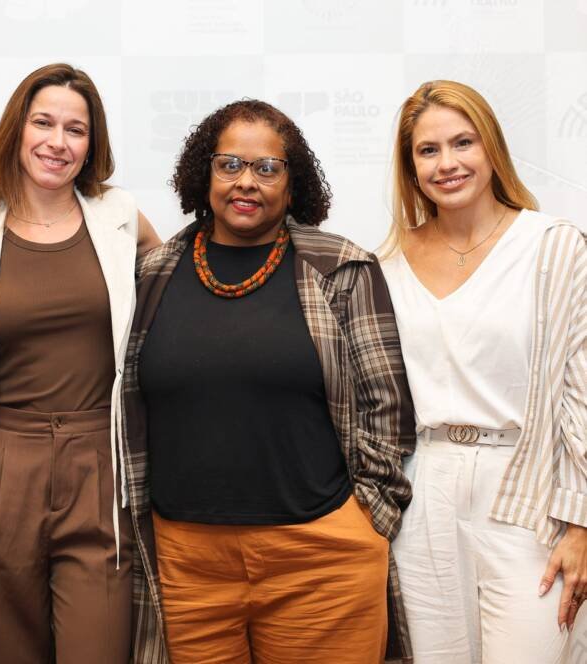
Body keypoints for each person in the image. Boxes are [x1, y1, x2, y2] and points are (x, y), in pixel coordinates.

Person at [120, 99, 416, 664]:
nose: (245, 182)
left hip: (321, 561)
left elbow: (389, 407)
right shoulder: (152, 275)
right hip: (187, 565)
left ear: (291, 179)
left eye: (266, 167)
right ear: (202, 174)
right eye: (229, 164)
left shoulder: (342, 269)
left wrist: (367, 519)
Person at [0, 63, 159, 664]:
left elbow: (174, 304)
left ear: (91, 145)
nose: (58, 142)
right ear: (17, 131)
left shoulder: (120, 217)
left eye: (76, 129)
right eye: (44, 123)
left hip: (99, 468)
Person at [380, 79, 587, 663]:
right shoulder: (386, 263)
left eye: (462, 142)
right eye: (428, 150)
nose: (447, 163)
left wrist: (582, 526)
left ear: (491, 147)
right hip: (423, 492)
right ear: (411, 166)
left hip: (528, 493)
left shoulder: (555, 246)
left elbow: (583, 392)